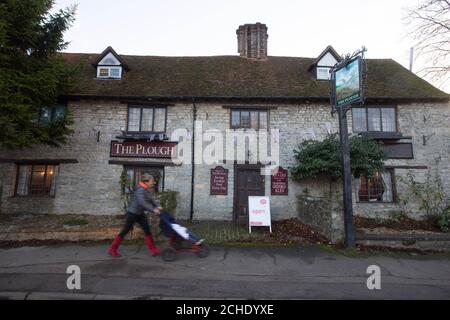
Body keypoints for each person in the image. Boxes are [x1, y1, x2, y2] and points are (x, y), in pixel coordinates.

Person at [108, 173, 162, 258]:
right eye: (152, 181)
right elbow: (142, 202)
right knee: (125, 230)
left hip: (140, 214)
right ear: (146, 181)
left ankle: (153, 249)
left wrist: (157, 205)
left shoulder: (146, 189)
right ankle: (112, 249)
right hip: (132, 214)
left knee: (147, 229)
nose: (153, 182)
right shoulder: (140, 190)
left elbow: (151, 199)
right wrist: (153, 209)